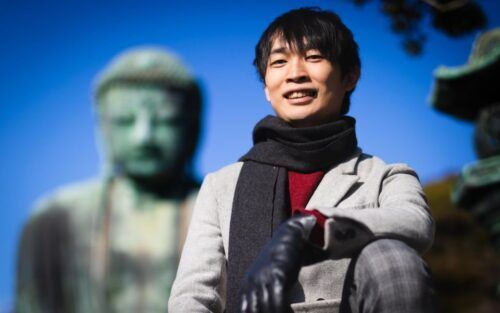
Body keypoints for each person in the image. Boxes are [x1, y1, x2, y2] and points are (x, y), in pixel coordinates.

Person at [169, 7, 436, 313]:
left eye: (313, 57)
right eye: (279, 62)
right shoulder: (221, 186)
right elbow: (194, 296)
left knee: (393, 256)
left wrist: (310, 228)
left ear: (350, 76)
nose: (295, 74)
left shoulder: (385, 176)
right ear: (267, 87)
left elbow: (416, 223)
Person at [16, 47, 202, 313]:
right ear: (102, 126)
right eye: (125, 120)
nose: (144, 136)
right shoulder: (53, 220)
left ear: (193, 127)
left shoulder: (227, 214)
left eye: (166, 120)